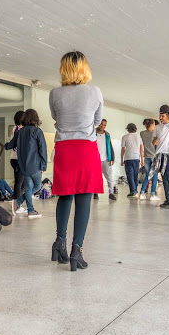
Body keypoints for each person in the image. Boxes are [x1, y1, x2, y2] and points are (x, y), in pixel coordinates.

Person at [49, 51, 103, 271]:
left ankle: (59, 242)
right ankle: (76, 250)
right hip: (86, 149)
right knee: (84, 199)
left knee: (65, 196)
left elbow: (55, 117)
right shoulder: (94, 92)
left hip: (64, 148)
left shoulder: (55, 93)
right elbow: (98, 120)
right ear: (84, 68)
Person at [4, 109, 47, 219]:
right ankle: (21, 203)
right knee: (36, 186)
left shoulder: (20, 132)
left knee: (28, 187)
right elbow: (43, 149)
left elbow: (11, 145)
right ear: (35, 118)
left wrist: (5, 145)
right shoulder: (37, 131)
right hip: (35, 165)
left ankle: (27, 208)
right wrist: (44, 165)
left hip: (23, 165)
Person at [151, 105, 169, 208]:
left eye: (162, 116)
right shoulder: (157, 127)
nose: (160, 118)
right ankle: (168, 200)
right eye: (160, 116)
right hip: (160, 155)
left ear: (168, 116)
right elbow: (153, 141)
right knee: (164, 178)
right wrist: (155, 141)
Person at [94, 119, 117, 200]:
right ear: (98, 124)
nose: (102, 126)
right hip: (95, 159)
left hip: (106, 159)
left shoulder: (107, 134)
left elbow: (110, 146)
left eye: (104, 125)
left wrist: (113, 158)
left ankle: (111, 193)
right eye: (101, 124)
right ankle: (95, 193)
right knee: (96, 177)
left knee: (109, 177)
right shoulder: (93, 133)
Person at [9, 110, 26, 214]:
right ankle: (16, 204)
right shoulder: (19, 130)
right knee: (20, 182)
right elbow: (16, 146)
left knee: (22, 182)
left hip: (15, 158)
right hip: (18, 159)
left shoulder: (15, 129)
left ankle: (17, 201)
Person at [121, 123, 144, 198]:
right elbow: (141, 149)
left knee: (130, 175)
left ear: (127, 129)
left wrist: (121, 159)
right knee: (135, 175)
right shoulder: (138, 137)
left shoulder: (124, 137)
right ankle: (135, 190)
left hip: (128, 158)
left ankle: (133, 191)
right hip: (136, 158)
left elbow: (123, 149)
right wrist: (142, 160)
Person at [139, 119, 160, 201]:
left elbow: (141, 146)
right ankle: (153, 194)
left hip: (146, 156)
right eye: (154, 124)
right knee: (154, 176)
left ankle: (142, 193)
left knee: (147, 175)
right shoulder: (155, 134)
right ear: (152, 124)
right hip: (154, 156)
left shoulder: (142, 133)